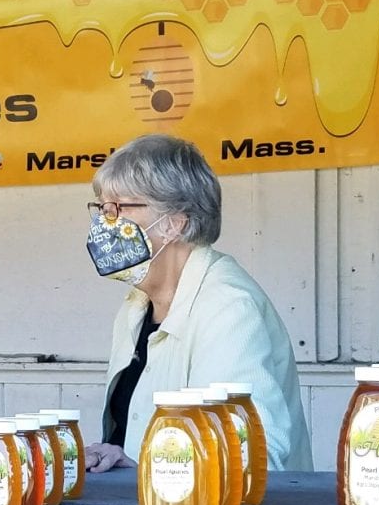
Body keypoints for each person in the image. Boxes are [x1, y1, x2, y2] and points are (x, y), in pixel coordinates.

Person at [82, 134, 313, 474]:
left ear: (175, 223)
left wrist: (145, 471)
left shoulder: (229, 306)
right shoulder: (137, 304)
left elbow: (253, 456)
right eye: (102, 207)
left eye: (120, 207)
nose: (106, 222)